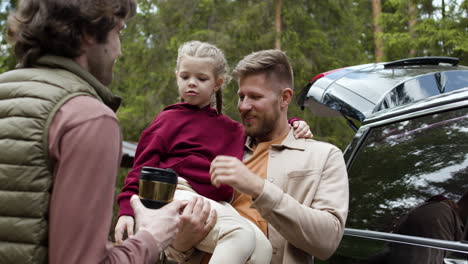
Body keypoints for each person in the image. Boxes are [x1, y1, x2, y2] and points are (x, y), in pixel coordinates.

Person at [0, 0, 189, 263]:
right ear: (89, 32)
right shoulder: (89, 117)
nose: (119, 51)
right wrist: (151, 238)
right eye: (118, 32)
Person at [115, 41, 312, 264]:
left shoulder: (233, 129)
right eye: (185, 77)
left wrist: (295, 123)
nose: (191, 83)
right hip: (175, 193)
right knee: (239, 235)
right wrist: (126, 211)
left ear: (217, 83)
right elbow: (140, 169)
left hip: (213, 202)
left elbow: (269, 131)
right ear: (177, 76)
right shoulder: (167, 120)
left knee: (263, 250)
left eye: (201, 78)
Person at [169, 49, 349, 264]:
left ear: (284, 98)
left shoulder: (323, 156)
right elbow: (164, 250)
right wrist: (180, 245)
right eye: (241, 96)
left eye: (255, 97)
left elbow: (327, 241)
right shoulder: (220, 148)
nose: (244, 106)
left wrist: (258, 187)